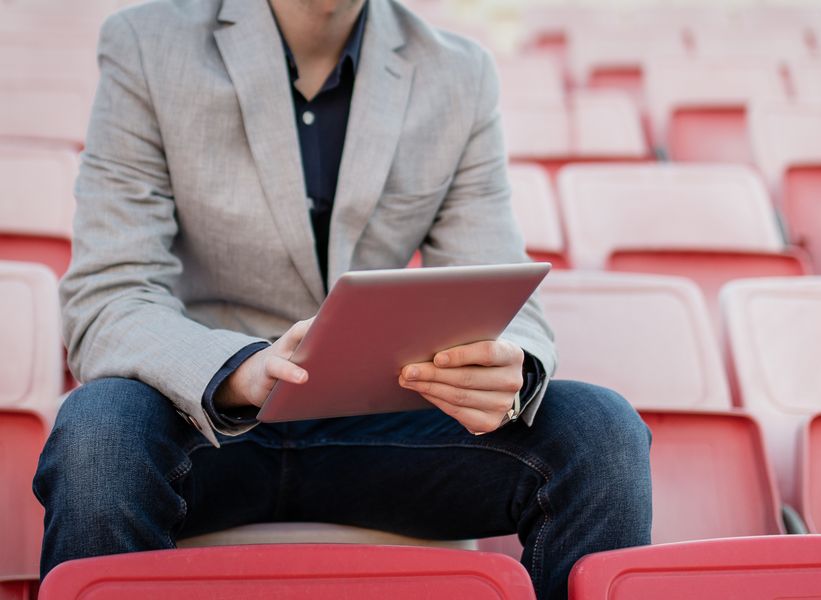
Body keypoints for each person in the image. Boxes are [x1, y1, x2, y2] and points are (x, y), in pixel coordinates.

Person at [31, 1, 652, 598]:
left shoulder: (456, 73)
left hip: (386, 423)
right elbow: (108, 294)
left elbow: (499, 285)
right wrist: (236, 370)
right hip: (204, 419)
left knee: (599, 431)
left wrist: (508, 366)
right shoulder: (147, 44)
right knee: (99, 433)